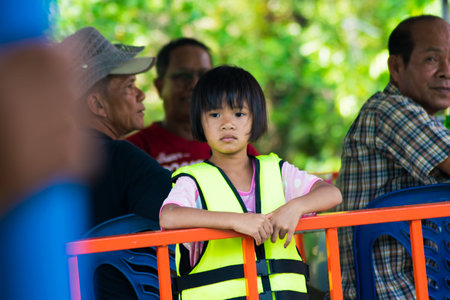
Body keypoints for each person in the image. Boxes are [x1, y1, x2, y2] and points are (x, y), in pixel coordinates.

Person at [159, 65, 342, 299]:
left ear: (255, 119)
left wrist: (295, 207)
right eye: (215, 115)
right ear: (199, 121)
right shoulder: (193, 180)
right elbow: (170, 215)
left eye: (239, 114)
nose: (227, 124)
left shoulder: (276, 170)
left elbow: (331, 194)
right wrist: (235, 221)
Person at [335, 15, 450, 299]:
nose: (447, 71)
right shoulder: (390, 109)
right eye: (432, 60)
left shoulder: (427, 119)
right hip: (392, 291)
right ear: (396, 67)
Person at [60, 27, 173, 299]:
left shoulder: (43, 170)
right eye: (129, 86)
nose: (141, 95)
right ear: (97, 104)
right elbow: (195, 206)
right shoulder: (121, 158)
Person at [126, 38, 259, 171]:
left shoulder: (237, 145)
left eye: (204, 76)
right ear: (160, 86)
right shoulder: (135, 151)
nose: (195, 85)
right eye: (183, 76)